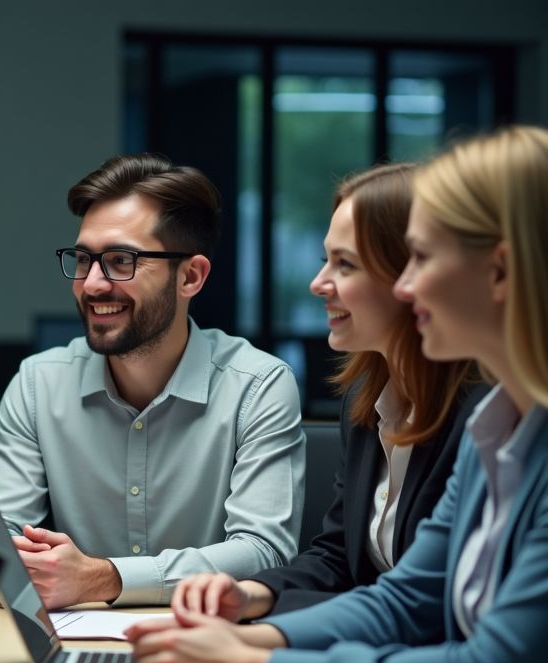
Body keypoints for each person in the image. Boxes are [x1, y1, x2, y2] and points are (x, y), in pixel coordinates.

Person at [127, 125, 548, 663]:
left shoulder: (486, 422)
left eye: (422, 258)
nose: (407, 285)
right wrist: (251, 639)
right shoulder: (497, 425)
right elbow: (405, 598)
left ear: (501, 271)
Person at [0, 153, 304, 608]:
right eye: (83, 259)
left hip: (205, 638)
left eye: (120, 260)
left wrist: (105, 578)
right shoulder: (38, 384)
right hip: (72, 638)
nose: (92, 284)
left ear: (190, 276)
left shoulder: (257, 386)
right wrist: (13, 562)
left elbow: (264, 552)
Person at [172, 164, 485, 620]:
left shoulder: (484, 416)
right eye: (326, 260)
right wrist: (251, 595)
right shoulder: (367, 401)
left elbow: (427, 606)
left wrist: (265, 644)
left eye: (345, 264)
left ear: (412, 274)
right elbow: (338, 558)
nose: (318, 283)